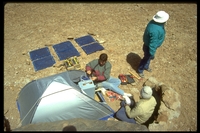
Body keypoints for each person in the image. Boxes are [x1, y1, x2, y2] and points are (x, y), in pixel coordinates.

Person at [137, 11, 169, 78]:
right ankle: (140, 70)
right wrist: (152, 53)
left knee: (148, 58)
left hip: (148, 45)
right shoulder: (155, 31)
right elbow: (152, 44)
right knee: (146, 58)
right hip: (149, 47)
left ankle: (146, 66)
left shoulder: (153, 23)